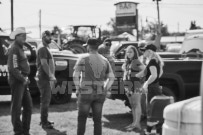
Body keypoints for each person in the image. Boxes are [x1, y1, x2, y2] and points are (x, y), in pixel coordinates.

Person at [73, 38, 115, 135]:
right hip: (100, 92)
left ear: (88, 47)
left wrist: (78, 88)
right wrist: (105, 89)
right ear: (97, 47)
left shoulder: (83, 58)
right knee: (97, 120)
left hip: (85, 92)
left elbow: (76, 75)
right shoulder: (105, 60)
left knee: (82, 119)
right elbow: (111, 78)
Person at [7, 27, 32, 135]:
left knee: (28, 106)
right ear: (17, 37)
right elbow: (13, 68)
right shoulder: (14, 48)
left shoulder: (20, 47)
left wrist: (24, 78)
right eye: (22, 35)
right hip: (18, 81)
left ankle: (25, 130)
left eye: (25, 35)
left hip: (22, 80)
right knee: (17, 107)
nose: (25, 37)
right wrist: (23, 78)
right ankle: (18, 131)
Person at [122, 45, 145, 130]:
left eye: (130, 52)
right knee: (132, 105)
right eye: (127, 52)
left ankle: (137, 123)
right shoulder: (128, 62)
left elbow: (145, 70)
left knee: (136, 104)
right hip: (128, 86)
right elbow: (126, 71)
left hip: (136, 85)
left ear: (135, 53)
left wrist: (139, 75)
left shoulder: (136, 61)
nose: (128, 53)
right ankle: (134, 123)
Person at [36, 30, 56, 129]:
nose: (51, 38)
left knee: (45, 100)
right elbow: (44, 63)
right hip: (44, 78)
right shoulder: (43, 48)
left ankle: (44, 120)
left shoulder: (45, 47)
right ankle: (44, 123)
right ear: (44, 36)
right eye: (49, 36)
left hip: (45, 77)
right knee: (45, 100)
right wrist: (51, 75)